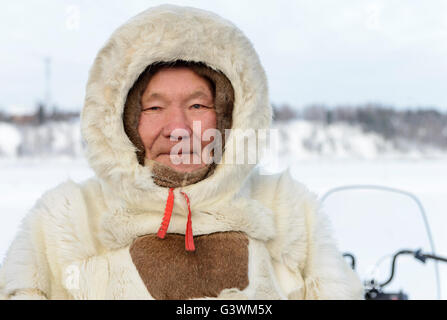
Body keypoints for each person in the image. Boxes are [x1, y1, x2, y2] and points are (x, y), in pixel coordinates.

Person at [0, 5, 363, 300]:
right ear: (123, 123)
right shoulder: (66, 219)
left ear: (228, 116)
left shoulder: (288, 210)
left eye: (197, 106)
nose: (178, 129)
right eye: (154, 108)